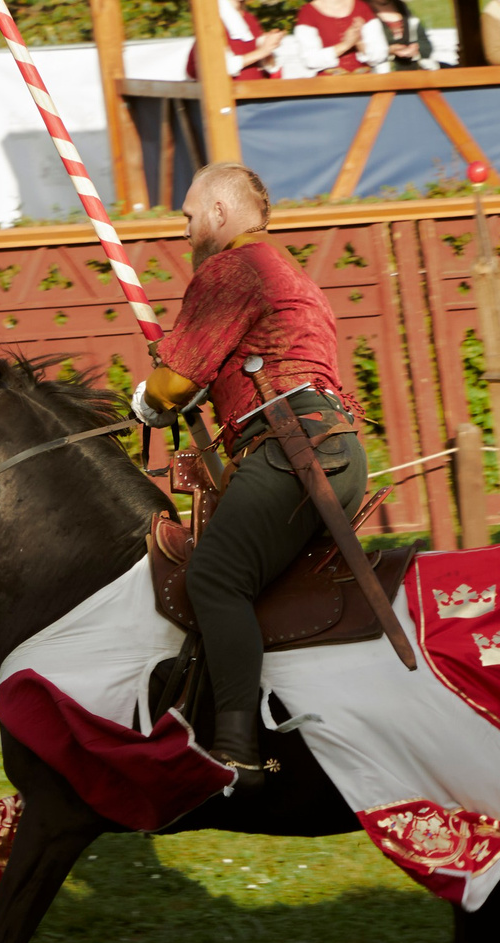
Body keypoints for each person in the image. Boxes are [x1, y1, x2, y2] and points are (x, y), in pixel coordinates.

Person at [129, 161, 366, 789]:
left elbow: (177, 381)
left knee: (214, 579)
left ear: (217, 212)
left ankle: (237, 746)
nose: (183, 230)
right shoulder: (286, 273)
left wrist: (148, 401)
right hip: (326, 447)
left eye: (186, 214)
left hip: (291, 450)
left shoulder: (231, 269)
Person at [283, 0, 387, 77]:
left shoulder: (361, 7)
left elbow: (380, 54)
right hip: (330, 87)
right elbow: (310, 59)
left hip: (364, 82)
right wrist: (345, 45)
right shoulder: (308, 12)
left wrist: (358, 41)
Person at [185, 0, 282, 80]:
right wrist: (263, 51)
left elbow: (261, 61)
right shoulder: (212, 20)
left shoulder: (249, 19)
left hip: (256, 91)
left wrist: (269, 47)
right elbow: (221, 66)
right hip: (229, 96)